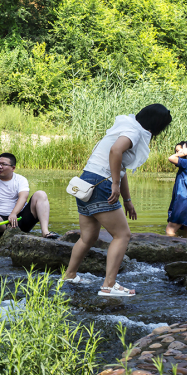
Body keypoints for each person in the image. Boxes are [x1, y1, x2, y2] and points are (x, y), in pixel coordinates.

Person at [65, 104, 172, 297]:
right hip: (101, 183)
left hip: (86, 181)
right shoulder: (134, 131)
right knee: (122, 235)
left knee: (88, 237)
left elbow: (120, 168)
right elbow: (116, 152)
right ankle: (109, 285)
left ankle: (70, 275)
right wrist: (114, 184)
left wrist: (127, 200)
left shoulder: (125, 126)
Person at [0, 153, 59, 253]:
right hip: (2, 222)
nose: (0, 167)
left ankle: (45, 232)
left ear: (13, 168)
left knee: (41, 194)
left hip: (22, 219)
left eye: (3, 164)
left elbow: (23, 197)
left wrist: (14, 213)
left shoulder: (21, 180)